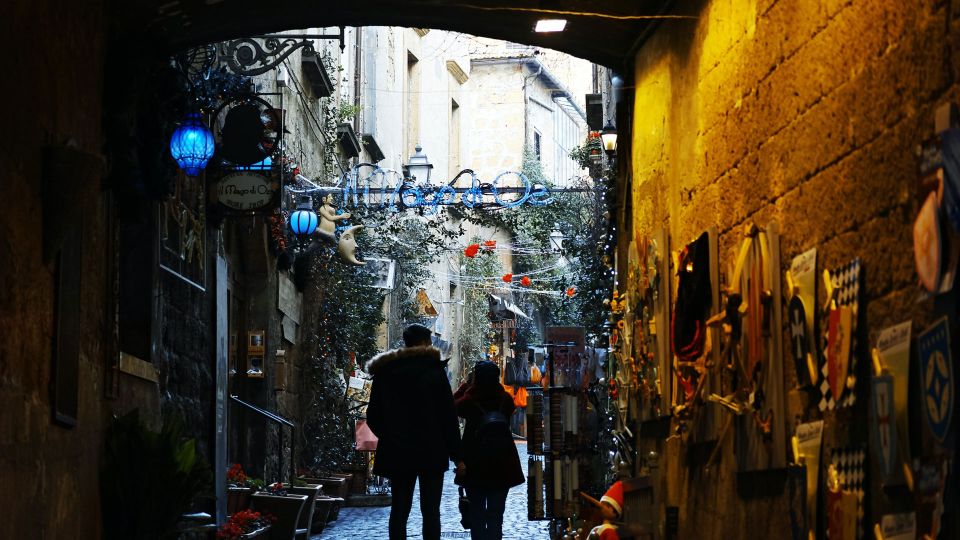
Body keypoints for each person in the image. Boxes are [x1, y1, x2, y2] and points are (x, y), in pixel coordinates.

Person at [366, 324, 464, 540]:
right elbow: (448, 417)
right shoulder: (435, 372)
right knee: (430, 511)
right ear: (422, 343)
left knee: (399, 510)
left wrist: (391, 436)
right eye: (429, 341)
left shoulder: (385, 372)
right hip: (431, 450)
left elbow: (373, 415)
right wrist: (458, 456)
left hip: (399, 451)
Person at [454, 361, 525, 540]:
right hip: (502, 462)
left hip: (474, 462)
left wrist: (466, 386)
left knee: (477, 515)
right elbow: (511, 412)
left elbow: (453, 405)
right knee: (496, 516)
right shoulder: (505, 400)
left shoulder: (469, 401)